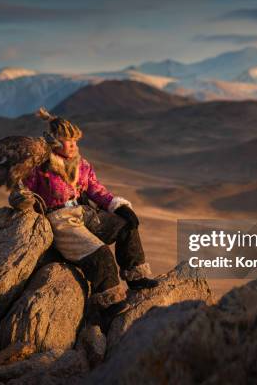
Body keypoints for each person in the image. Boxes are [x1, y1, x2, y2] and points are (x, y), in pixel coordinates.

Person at [9, 109, 157, 327]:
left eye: (75, 142)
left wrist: (118, 206)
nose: (73, 146)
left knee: (127, 226)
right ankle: (109, 304)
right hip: (61, 221)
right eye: (68, 141)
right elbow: (22, 191)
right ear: (54, 141)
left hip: (85, 212)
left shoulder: (82, 165)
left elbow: (96, 190)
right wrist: (22, 199)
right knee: (101, 254)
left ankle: (136, 277)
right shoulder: (39, 167)